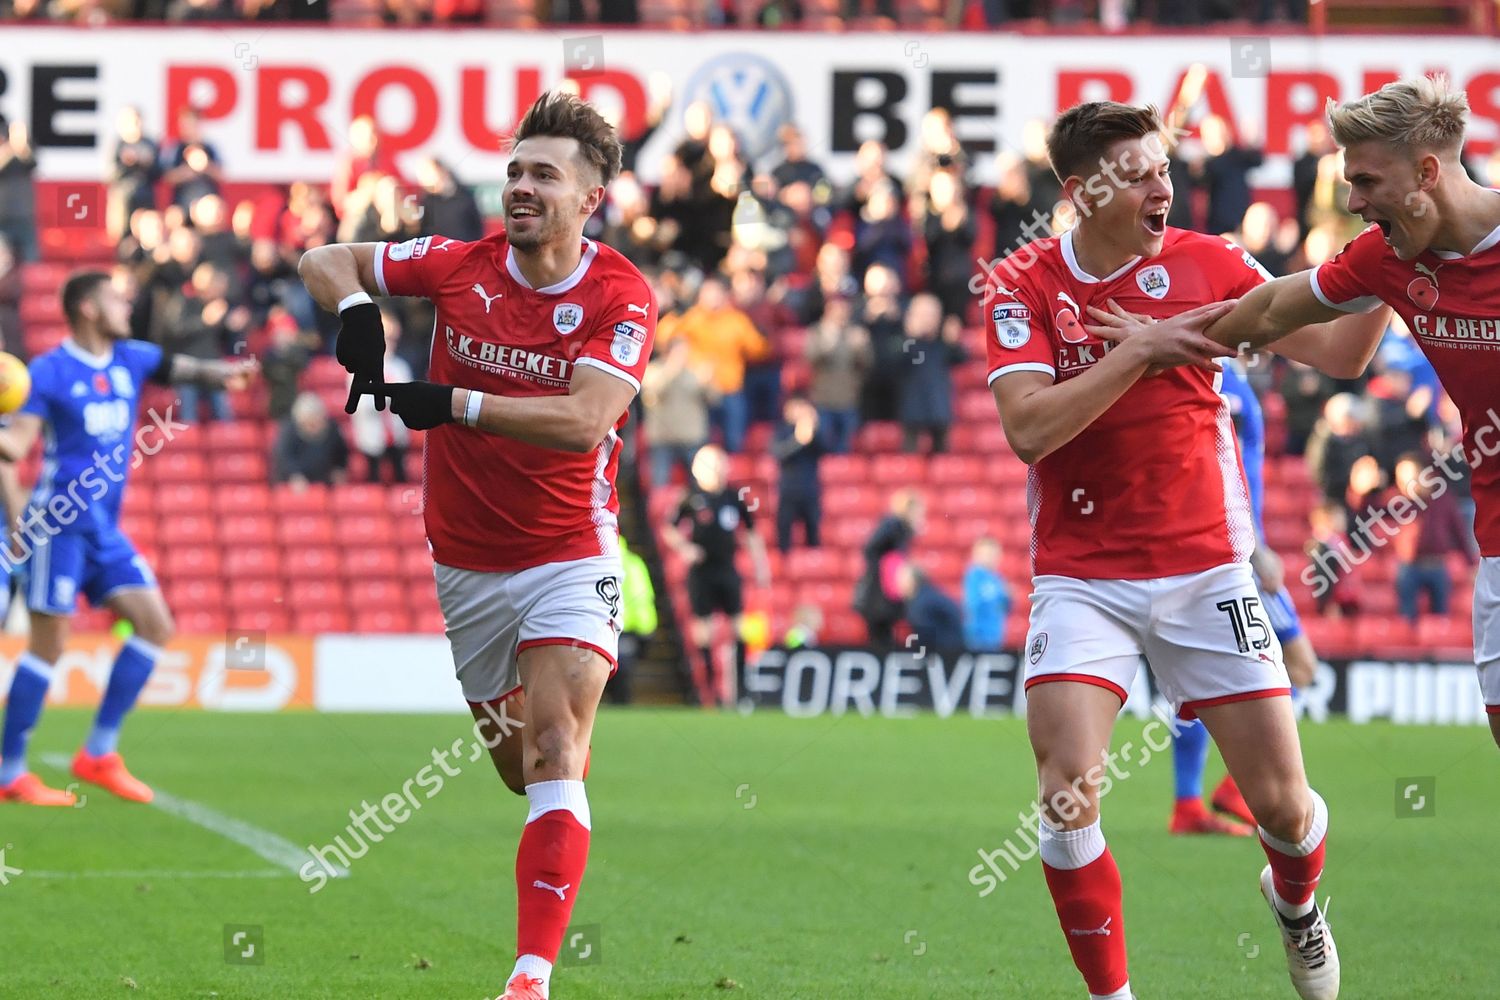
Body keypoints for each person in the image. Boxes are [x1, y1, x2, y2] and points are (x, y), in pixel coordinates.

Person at [986, 101, 1388, 1000]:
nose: (1161, 186)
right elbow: (1027, 430)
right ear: (1080, 191)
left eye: (1164, 168)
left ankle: (1296, 904)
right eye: (1136, 173)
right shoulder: (1022, 288)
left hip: (1207, 571)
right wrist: (1142, 354)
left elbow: (1341, 353)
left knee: (1285, 809)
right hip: (1082, 580)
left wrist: (1386, 262)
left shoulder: (1211, 261)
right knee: (1064, 792)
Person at [298, 91, 655, 1000]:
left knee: (551, 752)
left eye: (545, 175)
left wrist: (452, 402)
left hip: (570, 550)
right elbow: (324, 256)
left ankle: (530, 977)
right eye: (515, 173)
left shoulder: (621, 295)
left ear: (591, 198)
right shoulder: (461, 265)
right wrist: (354, 315)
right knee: (520, 769)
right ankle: (559, 775)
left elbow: (583, 423)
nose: (521, 189)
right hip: (464, 560)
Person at [1099, 76, 1500, 747]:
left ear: (1427, 172)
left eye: (1367, 182)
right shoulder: (1386, 256)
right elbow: (1272, 310)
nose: (1353, 201)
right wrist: (1154, 345)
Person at [0, 271, 254, 806]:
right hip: (58, 527)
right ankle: (11, 772)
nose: (126, 303)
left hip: (104, 530)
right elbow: (15, 446)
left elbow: (186, 368)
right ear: (88, 309)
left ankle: (97, 753)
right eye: (116, 297)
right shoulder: (47, 372)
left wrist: (230, 373)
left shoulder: (133, 357)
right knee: (51, 644)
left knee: (155, 624)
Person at [1167, 358, 1323, 840]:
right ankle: (1228, 789)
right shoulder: (1214, 374)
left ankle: (1191, 803)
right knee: (1300, 666)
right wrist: (1256, 547)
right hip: (1232, 549)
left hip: (1229, 545)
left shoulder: (1224, 373)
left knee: (1198, 685)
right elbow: (1215, 466)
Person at [660, 445, 770, 708]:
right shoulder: (691, 497)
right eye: (710, 465)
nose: (717, 470)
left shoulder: (734, 497)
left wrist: (761, 566)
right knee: (704, 631)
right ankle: (709, 692)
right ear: (698, 470)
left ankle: (741, 689)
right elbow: (669, 529)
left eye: (719, 464)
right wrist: (685, 549)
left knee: (739, 628)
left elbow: (752, 534)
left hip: (727, 569)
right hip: (702, 572)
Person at [1389, 452, 1478, 622]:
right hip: (1408, 566)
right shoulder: (1398, 500)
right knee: (1406, 618)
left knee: (1441, 618)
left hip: (1437, 564)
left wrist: (1471, 564)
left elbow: (1459, 533)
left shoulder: (1443, 498)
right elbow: (1366, 510)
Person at [348, 311, 413, 483]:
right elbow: (360, 402)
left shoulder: (400, 366)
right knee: (374, 476)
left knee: (400, 473)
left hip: (396, 431)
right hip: (373, 433)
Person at [854, 489, 924, 646]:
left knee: (883, 636)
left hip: (882, 596)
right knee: (881, 637)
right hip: (879, 596)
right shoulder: (893, 525)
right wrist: (882, 572)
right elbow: (870, 549)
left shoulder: (899, 529)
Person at [606, 533, 657, 706]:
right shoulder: (635, 562)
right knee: (622, 672)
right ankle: (621, 703)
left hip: (612, 626)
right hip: (635, 627)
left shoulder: (602, 562)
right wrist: (647, 629)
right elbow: (645, 595)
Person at [771, 395, 825, 552]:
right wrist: (797, 440)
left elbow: (826, 448)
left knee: (813, 535)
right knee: (784, 535)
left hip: (810, 490)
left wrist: (815, 428)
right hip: (788, 491)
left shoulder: (814, 433)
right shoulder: (782, 431)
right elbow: (779, 454)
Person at [272, 391, 351, 488]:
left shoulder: (332, 429)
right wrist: (294, 474)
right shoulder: (288, 431)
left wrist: (340, 468)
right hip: (296, 481)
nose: (312, 427)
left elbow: (341, 452)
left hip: (325, 480)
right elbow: (284, 457)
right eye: (308, 424)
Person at [961, 536, 1010, 651]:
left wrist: (1008, 596)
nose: (990, 558)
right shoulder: (974, 576)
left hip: (995, 634)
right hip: (977, 635)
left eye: (993, 555)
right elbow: (972, 604)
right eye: (986, 555)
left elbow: (1005, 606)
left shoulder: (998, 578)